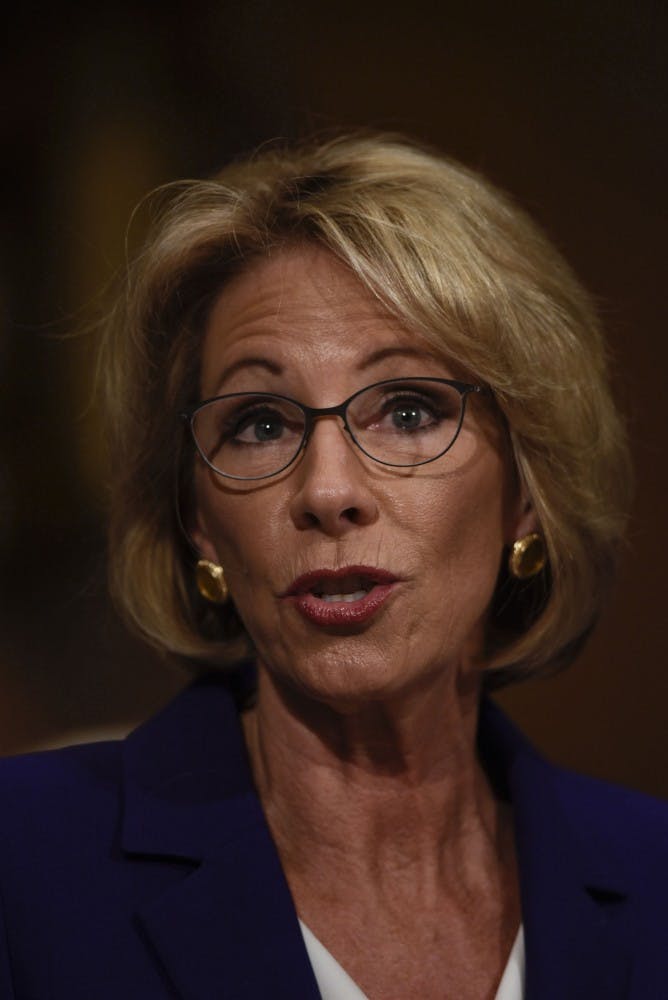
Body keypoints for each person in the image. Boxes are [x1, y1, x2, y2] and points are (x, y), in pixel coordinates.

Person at [0, 132, 665, 1000]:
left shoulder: (653, 879)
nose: (327, 490)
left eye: (409, 409)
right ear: (199, 524)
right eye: (261, 424)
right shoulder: (23, 861)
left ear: (527, 495)